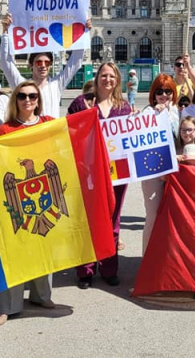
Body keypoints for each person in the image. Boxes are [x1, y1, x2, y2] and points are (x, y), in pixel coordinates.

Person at [0, 81, 56, 326]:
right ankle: (7, 305)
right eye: (22, 96)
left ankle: (42, 295)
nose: (28, 100)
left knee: (43, 244)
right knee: (14, 249)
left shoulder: (49, 123)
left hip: (44, 193)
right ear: (15, 100)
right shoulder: (6, 129)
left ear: (38, 100)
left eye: (32, 96)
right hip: (16, 196)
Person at [67, 62, 131, 287]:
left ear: (117, 80)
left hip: (117, 172)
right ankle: (85, 270)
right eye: (104, 76)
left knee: (113, 220)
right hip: (88, 171)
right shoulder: (81, 103)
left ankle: (108, 267)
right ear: (97, 78)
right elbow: (69, 133)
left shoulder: (124, 107)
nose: (108, 80)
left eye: (112, 76)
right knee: (86, 219)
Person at [0, 13, 88, 118]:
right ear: (31, 65)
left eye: (47, 62)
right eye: (38, 62)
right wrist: (5, 32)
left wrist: (83, 31)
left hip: (52, 133)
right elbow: (5, 63)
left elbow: (75, 63)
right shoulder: (21, 85)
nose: (43, 66)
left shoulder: (57, 84)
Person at [140, 74, 180, 253]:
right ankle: (147, 258)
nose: (164, 95)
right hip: (154, 171)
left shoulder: (178, 111)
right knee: (153, 215)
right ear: (153, 94)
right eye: (160, 92)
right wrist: (159, 113)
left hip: (176, 169)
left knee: (174, 217)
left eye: (168, 91)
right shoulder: (148, 112)